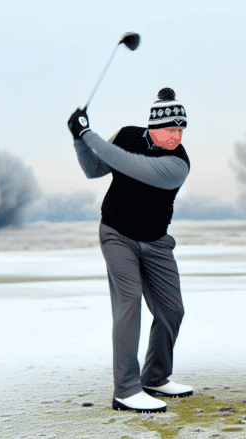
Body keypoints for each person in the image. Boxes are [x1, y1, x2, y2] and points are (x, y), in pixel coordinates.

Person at [67, 87, 192, 413]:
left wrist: (88, 133)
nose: (176, 135)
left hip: (156, 242)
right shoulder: (126, 135)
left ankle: (155, 376)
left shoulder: (178, 163)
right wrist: (79, 139)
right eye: (170, 129)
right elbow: (96, 168)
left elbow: (132, 165)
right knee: (129, 302)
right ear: (153, 126)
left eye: (181, 129)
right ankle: (125, 389)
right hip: (117, 234)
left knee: (171, 310)